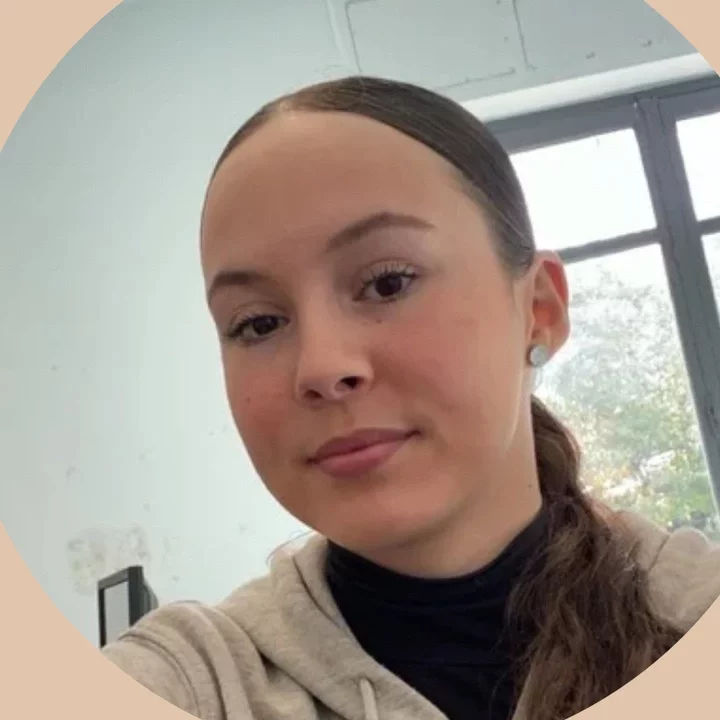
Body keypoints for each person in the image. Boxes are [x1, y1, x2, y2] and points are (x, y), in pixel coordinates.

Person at [102, 76, 720, 720]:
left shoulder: (692, 611)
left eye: (388, 283)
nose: (321, 367)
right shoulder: (195, 680)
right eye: (257, 323)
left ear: (539, 309)